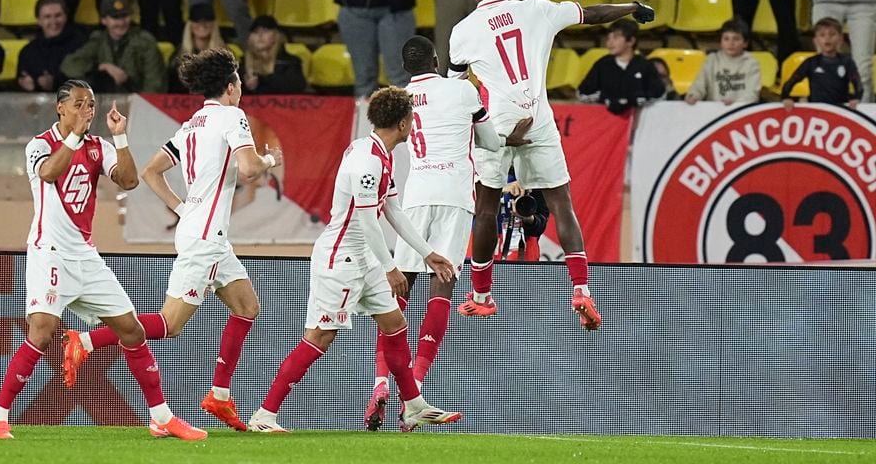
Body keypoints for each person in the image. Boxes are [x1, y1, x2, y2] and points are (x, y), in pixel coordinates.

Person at [63, 48, 284, 432]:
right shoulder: (233, 116)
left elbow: (151, 172)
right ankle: (87, 339)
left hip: (202, 231)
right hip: (206, 239)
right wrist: (269, 161)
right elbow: (249, 168)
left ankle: (219, 395)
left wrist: (182, 209)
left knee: (247, 306)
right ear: (231, 87)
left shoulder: (192, 124)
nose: (242, 88)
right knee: (170, 325)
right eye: (240, 82)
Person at [0, 80, 205, 441]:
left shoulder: (98, 147)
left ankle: (161, 417)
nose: (88, 110)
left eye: (92, 104)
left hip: (85, 256)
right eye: (80, 104)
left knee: (131, 329)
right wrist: (73, 138)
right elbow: (49, 173)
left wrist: (120, 138)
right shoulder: (40, 145)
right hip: (50, 251)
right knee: (41, 331)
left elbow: (130, 181)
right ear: (61, 108)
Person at [447, 0, 655, 325]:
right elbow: (591, 14)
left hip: (496, 120)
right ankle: (581, 289)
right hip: (539, 116)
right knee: (562, 203)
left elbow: (456, 87)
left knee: (485, 208)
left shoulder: (462, 31)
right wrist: (632, 8)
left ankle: (481, 295)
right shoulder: (535, 9)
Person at [247, 87, 461, 433]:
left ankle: (413, 406)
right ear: (404, 123)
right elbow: (363, 219)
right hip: (342, 258)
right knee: (320, 337)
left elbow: (391, 209)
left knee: (394, 324)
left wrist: (426, 253)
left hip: (364, 257)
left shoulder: (378, 152)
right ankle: (265, 415)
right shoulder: (368, 161)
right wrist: (391, 267)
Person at [364, 36, 530, 432]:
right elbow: (490, 142)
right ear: (437, 60)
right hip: (456, 197)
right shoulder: (461, 90)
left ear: (405, 67)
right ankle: (416, 384)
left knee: (398, 295)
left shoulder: (400, 99)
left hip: (415, 197)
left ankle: (381, 382)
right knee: (443, 288)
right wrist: (514, 139)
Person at [60, 0, 167, 93]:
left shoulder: (145, 42)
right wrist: (101, 67)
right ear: (103, 20)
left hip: (139, 104)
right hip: (106, 103)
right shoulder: (98, 40)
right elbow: (69, 65)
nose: (121, 23)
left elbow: (155, 85)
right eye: (115, 17)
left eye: (124, 16)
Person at [577, 19, 667, 113]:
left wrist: (636, 100)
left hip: (640, 120)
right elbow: (582, 92)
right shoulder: (602, 64)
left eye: (615, 37)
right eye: (608, 38)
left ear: (631, 41)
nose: (609, 43)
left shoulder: (645, 65)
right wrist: (604, 99)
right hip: (606, 121)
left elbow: (660, 94)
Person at [781, 17, 862, 108]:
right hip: (817, 109)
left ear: (840, 39)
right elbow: (792, 80)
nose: (827, 38)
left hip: (841, 110)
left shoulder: (847, 62)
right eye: (822, 35)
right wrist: (786, 97)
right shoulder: (811, 63)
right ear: (815, 41)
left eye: (832, 34)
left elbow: (857, 83)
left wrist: (856, 98)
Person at [17, 0, 85, 92]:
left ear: (66, 17)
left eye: (58, 15)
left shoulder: (81, 45)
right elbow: (19, 85)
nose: (53, 21)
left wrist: (55, 83)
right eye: (47, 17)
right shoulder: (28, 52)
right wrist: (27, 86)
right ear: (39, 21)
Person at [685, 19, 762, 105]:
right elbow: (699, 85)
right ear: (721, 42)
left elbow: (752, 95)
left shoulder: (752, 63)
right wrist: (694, 95)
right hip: (713, 110)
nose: (731, 43)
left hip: (740, 111)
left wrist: (735, 103)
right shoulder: (711, 60)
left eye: (736, 39)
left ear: (745, 43)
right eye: (726, 39)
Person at [168, 2, 227, 94]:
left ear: (214, 24)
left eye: (207, 21)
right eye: (197, 21)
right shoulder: (178, 55)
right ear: (190, 25)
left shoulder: (225, 55)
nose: (202, 25)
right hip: (184, 105)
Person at [240, 15, 307, 95]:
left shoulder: (289, 62)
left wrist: (262, 80)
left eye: (265, 30)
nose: (260, 35)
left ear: (276, 35)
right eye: (255, 32)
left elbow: (296, 87)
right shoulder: (242, 65)